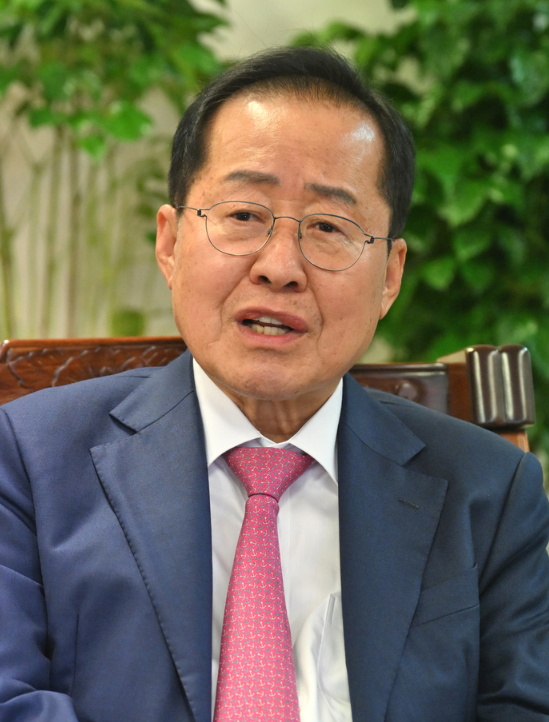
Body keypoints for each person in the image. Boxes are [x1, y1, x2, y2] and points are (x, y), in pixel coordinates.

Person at [0, 47, 548, 722]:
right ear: (169, 243)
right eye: (243, 215)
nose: (280, 266)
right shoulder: (29, 459)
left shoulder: (491, 492)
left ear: (389, 276)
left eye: (329, 227)